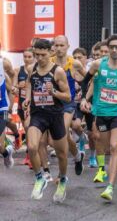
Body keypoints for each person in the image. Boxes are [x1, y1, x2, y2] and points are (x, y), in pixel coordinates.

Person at [80, 34, 117, 201]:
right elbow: (85, 82)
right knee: (106, 146)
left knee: (114, 147)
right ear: (108, 49)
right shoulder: (99, 64)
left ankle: (110, 187)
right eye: (111, 47)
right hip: (101, 112)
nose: (114, 50)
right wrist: (85, 98)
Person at [23, 39, 71, 202]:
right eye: (37, 55)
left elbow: (68, 96)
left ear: (50, 53)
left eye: (43, 55)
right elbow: (30, 84)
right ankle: (39, 177)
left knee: (62, 154)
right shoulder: (32, 68)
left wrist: (55, 92)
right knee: (31, 146)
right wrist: (28, 99)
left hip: (55, 115)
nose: (39, 58)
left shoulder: (58, 72)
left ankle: (63, 179)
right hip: (38, 114)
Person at [52, 35, 87, 176]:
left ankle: (62, 175)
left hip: (68, 104)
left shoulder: (74, 63)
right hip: (51, 104)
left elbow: (88, 78)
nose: (59, 48)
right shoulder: (49, 62)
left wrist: (84, 96)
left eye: (62, 45)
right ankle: (78, 156)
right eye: (56, 45)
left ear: (67, 46)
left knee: (63, 133)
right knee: (60, 137)